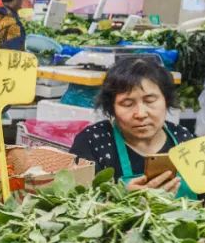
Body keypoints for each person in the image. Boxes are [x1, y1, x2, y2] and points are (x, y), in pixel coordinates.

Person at [69, 55, 196, 198]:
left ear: (166, 100)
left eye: (150, 101)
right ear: (112, 108)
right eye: (127, 104)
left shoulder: (184, 140)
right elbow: (76, 202)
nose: (140, 114)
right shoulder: (93, 142)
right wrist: (121, 199)